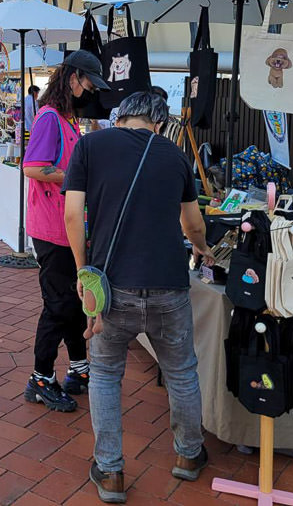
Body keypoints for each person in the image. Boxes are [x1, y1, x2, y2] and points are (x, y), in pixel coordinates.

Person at [63, 90, 213, 502]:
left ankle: (110, 471)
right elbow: (193, 224)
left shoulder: (90, 146)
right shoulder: (175, 156)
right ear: (159, 124)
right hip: (169, 285)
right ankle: (188, 455)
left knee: (106, 373)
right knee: (181, 372)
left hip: (113, 287)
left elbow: (73, 215)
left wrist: (83, 272)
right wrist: (202, 247)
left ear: (120, 117)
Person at [22, 50, 110, 414]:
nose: (92, 92)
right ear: (73, 79)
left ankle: (78, 368)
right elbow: (32, 166)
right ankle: (41, 378)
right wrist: (76, 179)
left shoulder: (68, 119)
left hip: (68, 227)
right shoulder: (49, 118)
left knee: (73, 301)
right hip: (51, 229)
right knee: (58, 306)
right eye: (90, 84)